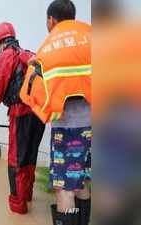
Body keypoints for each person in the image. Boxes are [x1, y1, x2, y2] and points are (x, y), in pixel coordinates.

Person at [20, 0, 91, 224]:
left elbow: (36, 89)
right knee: (80, 181)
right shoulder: (92, 37)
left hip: (67, 128)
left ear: (51, 20)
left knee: (64, 188)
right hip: (92, 123)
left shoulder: (49, 47)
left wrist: (35, 65)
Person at [0, 22, 45, 214]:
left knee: (16, 160)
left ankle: (18, 208)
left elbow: (1, 84)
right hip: (38, 114)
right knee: (30, 157)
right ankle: (27, 195)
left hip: (20, 114)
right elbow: (16, 79)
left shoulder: (5, 55)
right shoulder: (25, 53)